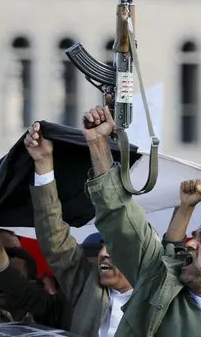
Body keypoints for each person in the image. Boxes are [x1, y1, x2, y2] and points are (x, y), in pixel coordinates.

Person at [80, 105, 201, 336]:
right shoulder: (158, 282)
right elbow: (120, 218)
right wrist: (98, 143)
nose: (191, 244)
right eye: (194, 238)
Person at [24, 122, 133, 337]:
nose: (103, 254)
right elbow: (55, 239)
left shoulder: (157, 296)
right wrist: (43, 163)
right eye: (103, 248)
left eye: (112, 248)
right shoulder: (88, 287)